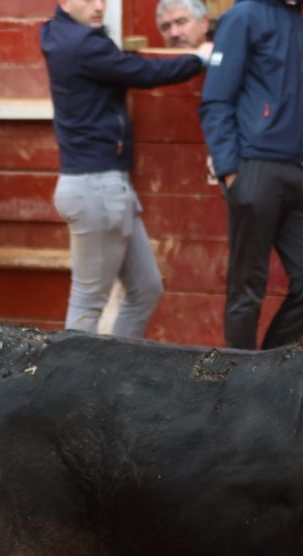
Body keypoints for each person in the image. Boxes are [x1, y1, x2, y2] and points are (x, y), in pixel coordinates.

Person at [41, 0, 206, 338]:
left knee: (146, 289)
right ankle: (69, 390)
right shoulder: (83, 43)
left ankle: (110, 375)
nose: (99, 6)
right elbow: (143, 72)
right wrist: (198, 59)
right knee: (88, 302)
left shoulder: (56, 33)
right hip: (96, 186)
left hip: (102, 184)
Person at [200, 0, 303, 351]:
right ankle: (238, 380)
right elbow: (216, 99)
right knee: (247, 286)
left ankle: (272, 362)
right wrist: (230, 171)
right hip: (255, 165)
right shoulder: (244, 15)